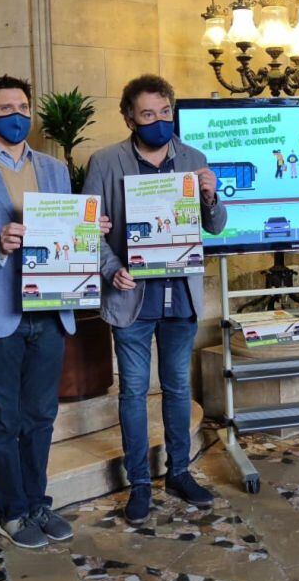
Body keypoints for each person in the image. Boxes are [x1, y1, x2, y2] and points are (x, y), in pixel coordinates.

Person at [0, 75, 111, 547]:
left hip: (50, 308)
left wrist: (89, 229)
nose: (17, 115)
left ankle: (38, 502)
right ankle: (13, 511)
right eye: (6, 108)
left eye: (23, 106)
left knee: (40, 415)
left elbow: (66, 231)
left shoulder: (55, 169)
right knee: (3, 419)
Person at [83, 74, 226, 525]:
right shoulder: (105, 162)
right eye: (148, 115)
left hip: (179, 297)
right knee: (133, 392)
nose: (159, 122)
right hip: (133, 299)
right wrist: (111, 269)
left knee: (179, 387)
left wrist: (210, 195)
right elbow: (87, 229)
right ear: (129, 117)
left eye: (165, 113)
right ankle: (140, 482)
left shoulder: (193, 158)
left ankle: (180, 473)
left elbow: (217, 225)